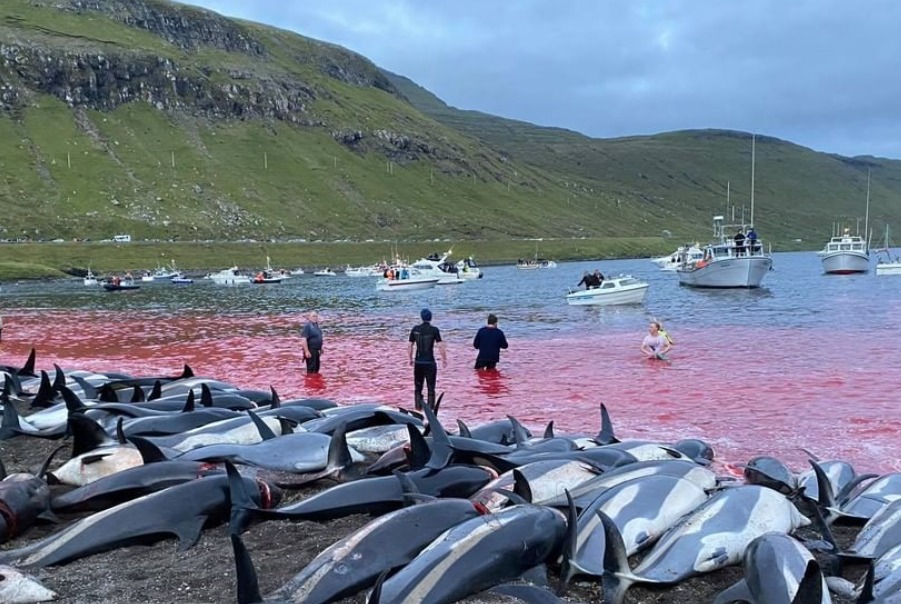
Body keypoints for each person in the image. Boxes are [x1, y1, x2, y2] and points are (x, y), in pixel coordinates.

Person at [409, 308, 447, 411]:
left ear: (421, 317)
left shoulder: (415, 329)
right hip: (430, 362)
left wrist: (410, 359)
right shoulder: (434, 330)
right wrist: (444, 359)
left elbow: (410, 345)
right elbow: (440, 346)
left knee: (418, 387)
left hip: (418, 362)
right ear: (431, 318)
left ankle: (418, 408)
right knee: (431, 388)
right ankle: (431, 410)